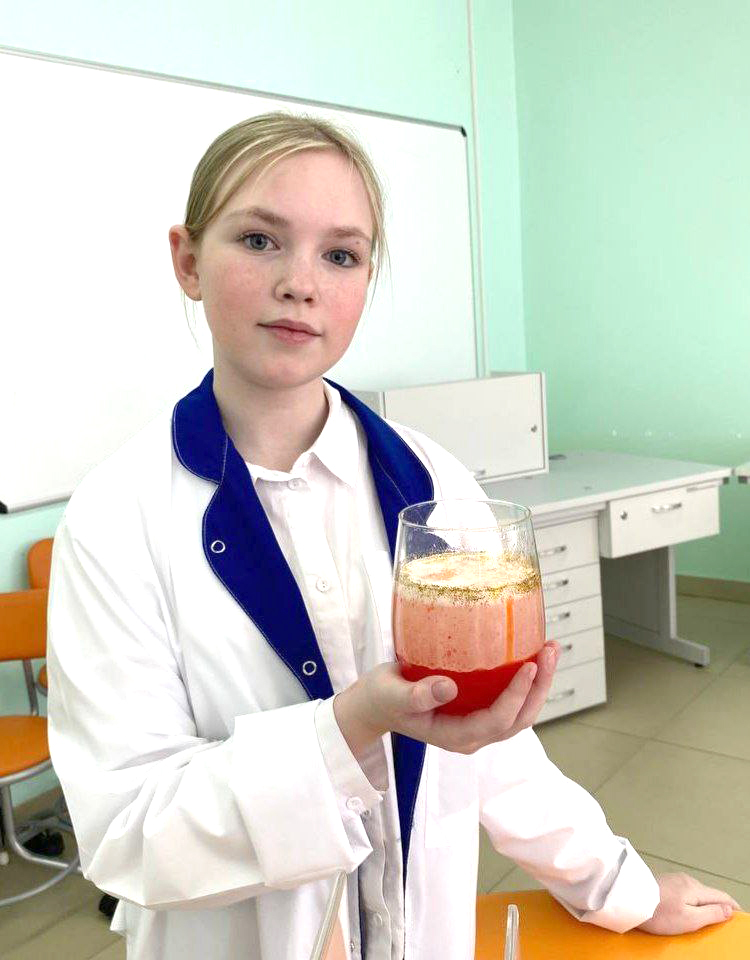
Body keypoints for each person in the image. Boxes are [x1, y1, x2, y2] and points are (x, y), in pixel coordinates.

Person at [46, 112, 739, 960]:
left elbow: (497, 754)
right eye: (260, 240)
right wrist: (348, 729)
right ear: (188, 261)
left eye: (341, 255)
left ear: (366, 279)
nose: (301, 283)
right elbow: (127, 830)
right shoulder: (116, 519)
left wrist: (621, 889)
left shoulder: (432, 484)